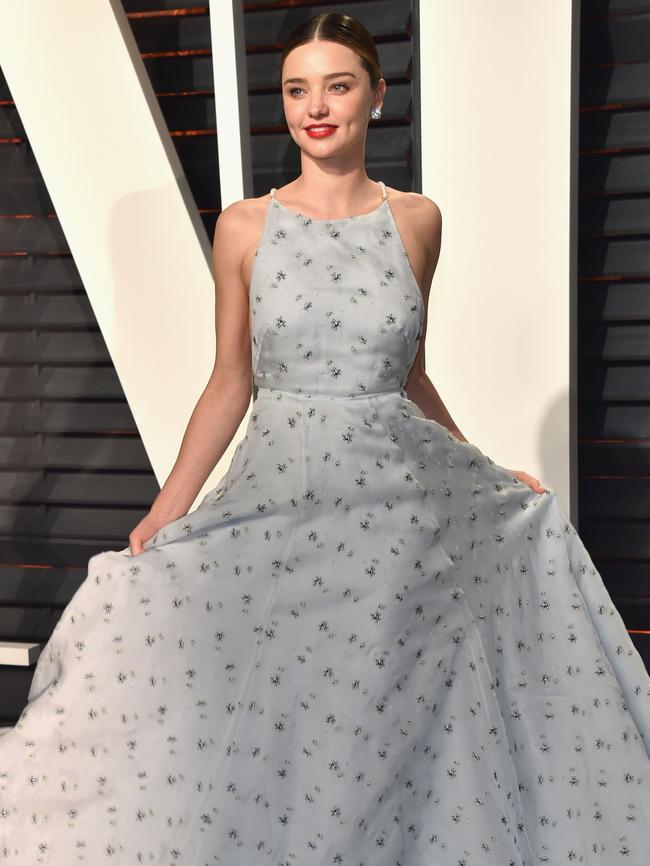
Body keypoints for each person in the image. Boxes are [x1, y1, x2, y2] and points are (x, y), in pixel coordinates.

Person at [1, 10, 649, 865]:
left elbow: (411, 373)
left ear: (376, 96)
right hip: (287, 479)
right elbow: (232, 377)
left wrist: (486, 469)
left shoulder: (418, 221)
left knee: (388, 700)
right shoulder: (247, 226)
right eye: (297, 90)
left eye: (337, 86)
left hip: (403, 494)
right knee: (292, 694)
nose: (316, 107)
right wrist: (168, 507)